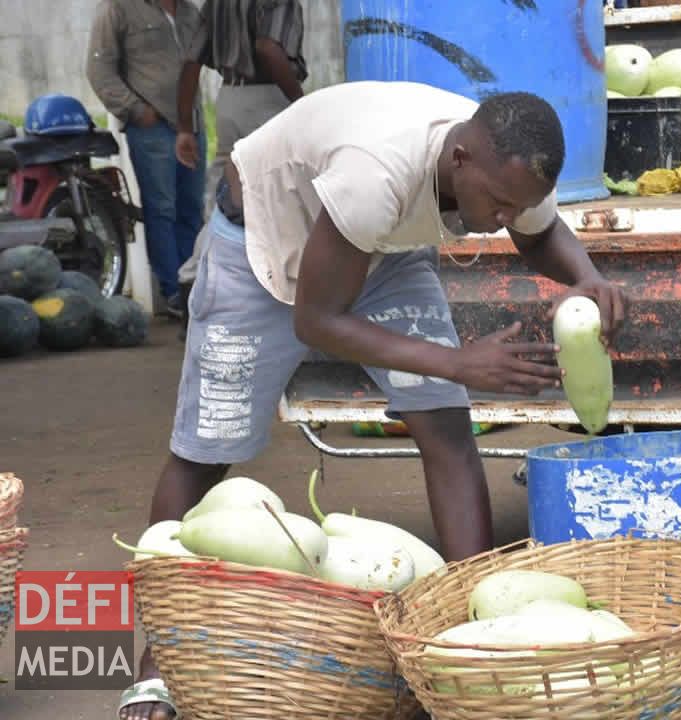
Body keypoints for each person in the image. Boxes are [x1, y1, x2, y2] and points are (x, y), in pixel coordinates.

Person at [116, 83, 627, 720]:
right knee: (205, 452)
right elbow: (318, 321)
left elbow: (536, 232)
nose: (502, 220)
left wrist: (587, 278)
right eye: (495, 204)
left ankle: (467, 650)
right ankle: (155, 668)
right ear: (461, 159)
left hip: (378, 250)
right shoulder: (377, 171)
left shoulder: (511, 165)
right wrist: (459, 362)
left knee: (445, 425)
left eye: (513, 206)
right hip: (264, 248)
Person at [172, 0, 309, 339]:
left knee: (224, 199)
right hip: (268, 99)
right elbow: (267, 46)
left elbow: (191, 60)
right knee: (277, 202)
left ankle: (193, 278)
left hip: (229, 99)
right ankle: (277, 300)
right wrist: (301, 101)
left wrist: (184, 127)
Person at [87, 0, 206, 318]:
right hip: (154, 129)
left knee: (192, 209)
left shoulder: (190, 10)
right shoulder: (118, 8)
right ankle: (172, 292)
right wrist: (138, 112)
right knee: (162, 210)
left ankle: (194, 289)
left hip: (192, 126)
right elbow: (100, 70)